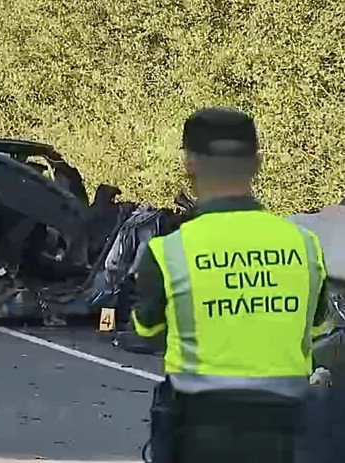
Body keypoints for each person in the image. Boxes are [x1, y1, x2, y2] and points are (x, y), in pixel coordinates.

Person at [131, 107, 331, 463]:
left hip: (198, 433)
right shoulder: (305, 244)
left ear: (189, 163)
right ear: (257, 163)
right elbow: (317, 324)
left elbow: (146, 330)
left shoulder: (167, 251)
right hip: (287, 434)